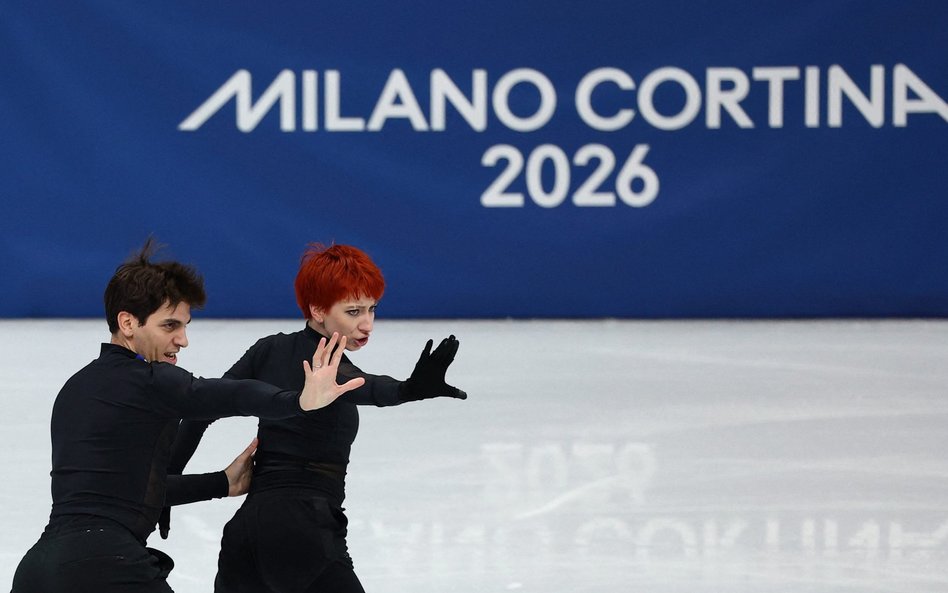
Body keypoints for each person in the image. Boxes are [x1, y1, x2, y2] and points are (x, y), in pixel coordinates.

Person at [10, 239, 364, 593]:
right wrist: (299, 401)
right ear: (128, 322)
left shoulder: (75, 388)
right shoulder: (149, 380)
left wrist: (221, 483)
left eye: (185, 326)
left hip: (38, 571)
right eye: (169, 326)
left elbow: (121, 493)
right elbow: (228, 394)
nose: (183, 340)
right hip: (107, 565)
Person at [169, 243, 468, 593]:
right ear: (317, 309)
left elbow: (198, 413)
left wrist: (164, 486)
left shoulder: (269, 349)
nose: (367, 324)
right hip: (304, 532)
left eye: (372, 309)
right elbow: (363, 385)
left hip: (244, 535)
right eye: (354, 311)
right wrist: (407, 390)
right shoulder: (327, 366)